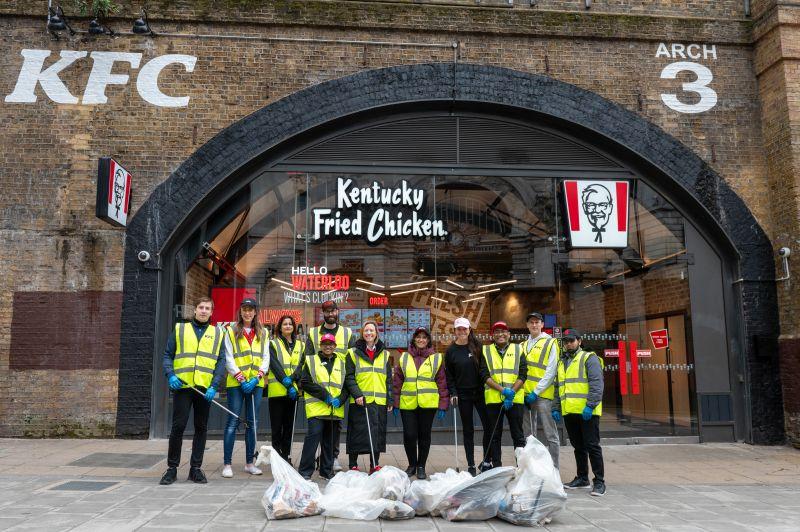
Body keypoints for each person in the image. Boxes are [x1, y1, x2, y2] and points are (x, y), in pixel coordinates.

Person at [159, 297, 226, 485]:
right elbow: (167, 355)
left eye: (207, 308)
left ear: (212, 312)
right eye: (201, 307)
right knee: (178, 427)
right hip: (183, 386)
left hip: (205, 388)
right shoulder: (180, 329)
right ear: (194, 310)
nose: (204, 311)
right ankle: (171, 469)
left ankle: (195, 469)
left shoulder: (218, 333)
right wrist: (170, 375)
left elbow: (221, 362)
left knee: (201, 428)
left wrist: (215, 385)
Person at [302, 300, 356, 472]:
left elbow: (353, 363)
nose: (331, 314)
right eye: (327, 312)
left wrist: (344, 395)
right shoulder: (314, 333)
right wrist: (297, 380)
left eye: (333, 311)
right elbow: (307, 360)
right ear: (323, 313)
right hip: (317, 399)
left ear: (338, 312)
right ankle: (307, 470)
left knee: (332, 436)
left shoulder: (347, 333)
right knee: (315, 435)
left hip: (337, 396)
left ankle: (330, 462)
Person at [552, 328, 606, 496]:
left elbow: (597, 384)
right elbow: (558, 387)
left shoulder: (589, 358)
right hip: (570, 411)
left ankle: (599, 482)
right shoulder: (562, 362)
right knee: (578, 447)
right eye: (566, 341)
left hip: (586, 411)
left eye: (572, 340)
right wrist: (556, 407)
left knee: (592, 446)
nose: (568, 344)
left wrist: (590, 405)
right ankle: (582, 478)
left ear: (579, 341)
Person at [221, 298, 269, 478]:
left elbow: (266, 357)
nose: (247, 313)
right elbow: (228, 357)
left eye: (251, 310)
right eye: (244, 310)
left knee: (253, 423)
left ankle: (249, 463)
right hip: (236, 383)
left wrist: (256, 378)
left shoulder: (263, 332)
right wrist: (241, 378)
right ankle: (227, 464)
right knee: (232, 423)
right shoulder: (231, 330)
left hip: (255, 384)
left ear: (255, 312)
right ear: (240, 312)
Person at [394, 327, 449, 479]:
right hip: (408, 403)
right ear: (414, 339)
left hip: (428, 403)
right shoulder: (404, 357)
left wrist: (443, 404)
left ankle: (421, 466)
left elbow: (442, 382)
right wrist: (396, 402)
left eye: (424, 337)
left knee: (424, 435)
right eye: (418, 337)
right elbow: (397, 381)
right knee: (410, 435)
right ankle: (412, 464)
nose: (421, 340)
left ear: (428, 340)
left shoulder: (436, 358)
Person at [298, 333, 349, 480]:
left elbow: (346, 386)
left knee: (330, 443)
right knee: (312, 440)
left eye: (331, 344)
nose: (328, 346)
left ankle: (326, 472)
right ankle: (305, 472)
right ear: (320, 345)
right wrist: (325, 395)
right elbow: (305, 382)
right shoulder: (311, 360)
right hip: (316, 408)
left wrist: (340, 399)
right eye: (325, 343)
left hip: (335, 409)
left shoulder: (342, 362)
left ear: (335, 346)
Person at [445, 317, 490, 477]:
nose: (462, 332)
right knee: (468, 430)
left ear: (469, 330)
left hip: (479, 393)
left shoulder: (477, 346)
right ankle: (470, 464)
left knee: (488, 426)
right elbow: (449, 376)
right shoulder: (451, 351)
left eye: (465, 329)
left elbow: (484, 368)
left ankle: (487, 460)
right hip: (462, 395)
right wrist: (453, 392)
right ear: (455, 331)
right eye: (459, 329)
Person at [344, 321, 392, 473]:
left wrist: (389, 399)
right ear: (362, 333)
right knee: (356, 432)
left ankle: (374, 464)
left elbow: (388, 379)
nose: (369, 333)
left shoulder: (385, 354)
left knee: (376, 433)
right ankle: (353, 464)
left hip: (378, 401)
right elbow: (349, 377)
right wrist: (357, 394)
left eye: (372, 330)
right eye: (366, 331)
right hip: (360, 401)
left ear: (376, 333)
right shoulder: (352, 353)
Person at [480, 321, 527, 471]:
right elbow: (484, 375)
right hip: (494, 400)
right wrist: (503, 391)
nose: (500, 334)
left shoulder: (518, 349)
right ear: (492, 335)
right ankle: (497, 468)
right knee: (495, 436)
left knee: (518, 435)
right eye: (497, 332)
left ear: (509, 335)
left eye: (504, 331)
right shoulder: (486, 350)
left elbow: (523, 373)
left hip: (515, 400)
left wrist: (511, 392)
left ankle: (522, 468)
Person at [522, 312, 561, 468]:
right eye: (531, 322)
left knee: (550, 434)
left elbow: (551, 371)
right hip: (525, 395)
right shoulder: (523, 345)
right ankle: (532, 467)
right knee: (528, 435)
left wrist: (536, 391)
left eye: (537, 322)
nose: (534, 325)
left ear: (542, 324)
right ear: (527, 325)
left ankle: (554, 469)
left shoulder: (551, 343)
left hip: (543, 395)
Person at [267, 315, 305, 463]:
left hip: (293, 393)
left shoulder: (301, 345)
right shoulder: (273, 344)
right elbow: (275, 366)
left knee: (289, 427)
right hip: (277, 392)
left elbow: (302, 365)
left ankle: (286, 456)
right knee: (277, 428)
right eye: (285, 324)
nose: (288, 326)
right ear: (280, 327)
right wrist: (287, 383)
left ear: (294, 327)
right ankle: (276, 459)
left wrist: (294, 378)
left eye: (290, 324)